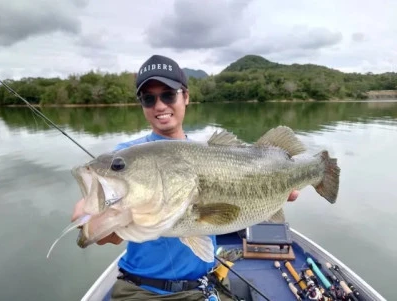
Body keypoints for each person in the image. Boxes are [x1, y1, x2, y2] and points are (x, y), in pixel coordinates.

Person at [71, 54, 300, 301]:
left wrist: (274, 196)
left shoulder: (208, 152)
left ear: (186, 96)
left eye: (168, 94)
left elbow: (228, 213)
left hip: (202, 286)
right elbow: (88, 217)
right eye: (149, 98)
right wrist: (95, 222)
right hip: (140, 290)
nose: (159, 105)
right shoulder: (127, 154)